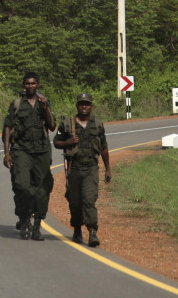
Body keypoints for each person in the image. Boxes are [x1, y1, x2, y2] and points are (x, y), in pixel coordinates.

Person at [2, 72, 56, 241]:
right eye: (27, 83)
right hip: (21, 150)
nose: (30, 86)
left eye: (33, 83)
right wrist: (6, 152)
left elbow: (52, 126)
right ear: (24, 85)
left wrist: (45, 108)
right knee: (22, 186)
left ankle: (37, 225)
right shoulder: (17, 104)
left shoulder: (43, 103)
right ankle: (25, 220)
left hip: (41, 151)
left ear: (37, 84)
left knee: (42, 190)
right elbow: (7, 128)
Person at [53, 92, 111, 247]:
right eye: (81, 104)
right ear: (77, 106)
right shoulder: (67, 124)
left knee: (89, 199)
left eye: (87, 104)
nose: (84, 106)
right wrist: (68, 142)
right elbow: (56, 142)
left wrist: (107, 169)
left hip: (91, 168)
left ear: (91, 106)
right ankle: (77, 229)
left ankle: (92, 231)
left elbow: (104, 148)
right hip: (74, 169)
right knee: (75, 202)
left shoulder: (97, 124)